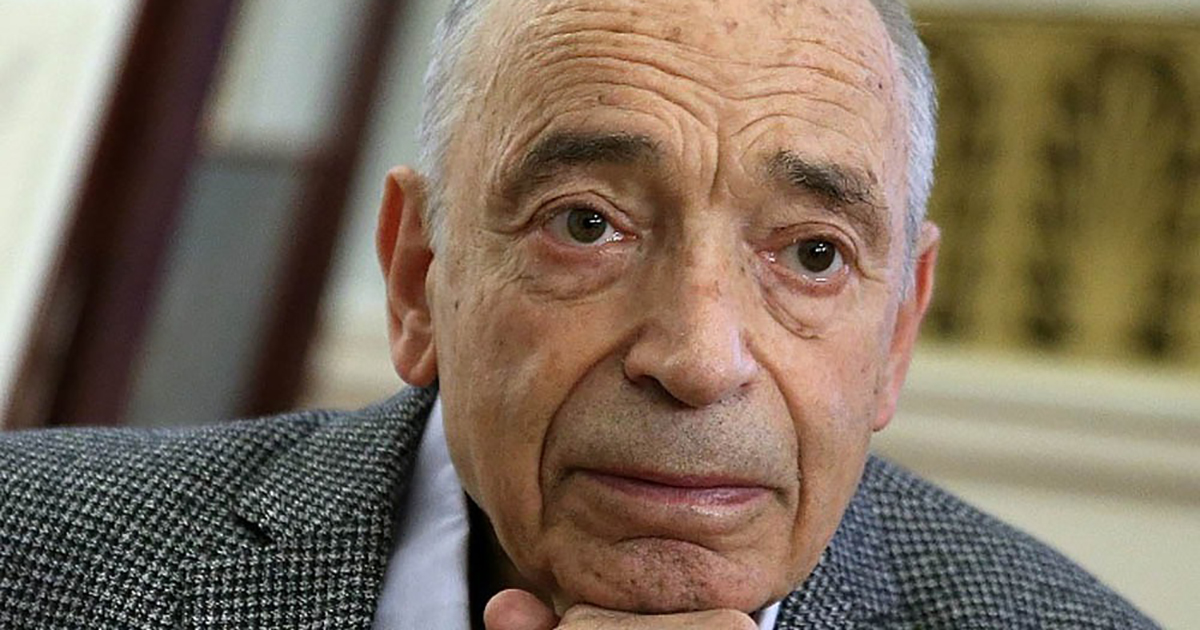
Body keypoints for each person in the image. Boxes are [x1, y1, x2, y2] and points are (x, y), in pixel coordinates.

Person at [0, 0, 1160, 628]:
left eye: (812, 253)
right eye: (588, 224)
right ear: (418, 275)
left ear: (897, 330)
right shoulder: (32, 558)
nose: (698, 359)